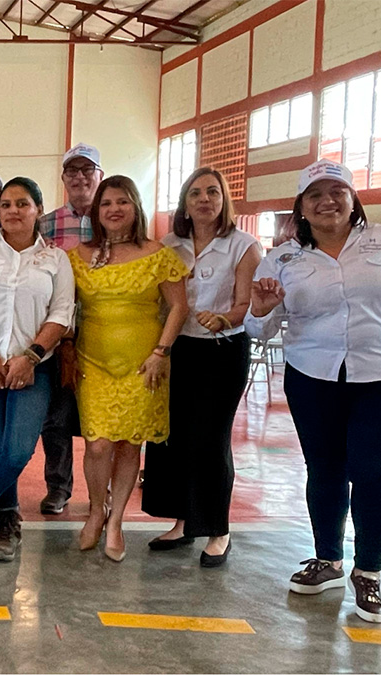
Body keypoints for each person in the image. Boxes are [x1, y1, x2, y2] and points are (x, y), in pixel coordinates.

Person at [246, 160, 381, 624]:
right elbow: (260, 329)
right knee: (325, 469)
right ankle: (329, 560)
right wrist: (261, 308)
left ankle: (369, 573)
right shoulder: (283, 258)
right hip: (313, 377)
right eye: (315, 194)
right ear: (301, 208)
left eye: (337, 191)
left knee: (376, 474)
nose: (327, 201)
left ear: (354, 199)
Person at [0, 177, 75, 562]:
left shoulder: (55, 258)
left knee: (19, 447)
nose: (12, 211)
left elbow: (62, 314)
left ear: (39, 209)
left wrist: (31, 356)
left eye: (22, 204)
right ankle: (8, 523)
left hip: (33, 368)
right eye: (6, 205)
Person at [144, 167, 261, 567]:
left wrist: (226, 317)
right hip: (177, 349)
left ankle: (218, 530)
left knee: (211, 440)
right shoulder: (169, 244)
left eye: (213, 192)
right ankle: (183, 522)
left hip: (221, 351)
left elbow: (246, 304)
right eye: (195, 193)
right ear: (185, 202)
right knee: (174, 437)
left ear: (224, 198)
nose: (204, 199)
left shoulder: (243, 245)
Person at [68, 175, 188, 562]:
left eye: (122, 202)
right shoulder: (78, 256)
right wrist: (68, 350)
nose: (114, 209)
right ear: (96, 212)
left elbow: (179, 307)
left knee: (128, 444)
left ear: (135, 207)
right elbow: (64, 308)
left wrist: (161, 351)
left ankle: (117, 519)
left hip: (144, 364)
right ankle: (96, 509)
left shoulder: (158, 254)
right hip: (93, 361)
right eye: (106, 204)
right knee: (97, 443)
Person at [36, 143, 102, 515]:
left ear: (99, 176)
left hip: (104, 334)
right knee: (56, 419)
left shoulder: (114, 219)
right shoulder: (46, 224)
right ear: (63, 179)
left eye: (87, 170)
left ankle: (102, 493)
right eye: (72, 171)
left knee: (101, 419)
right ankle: (58, 487)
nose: (79, 177)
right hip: (60, 338)